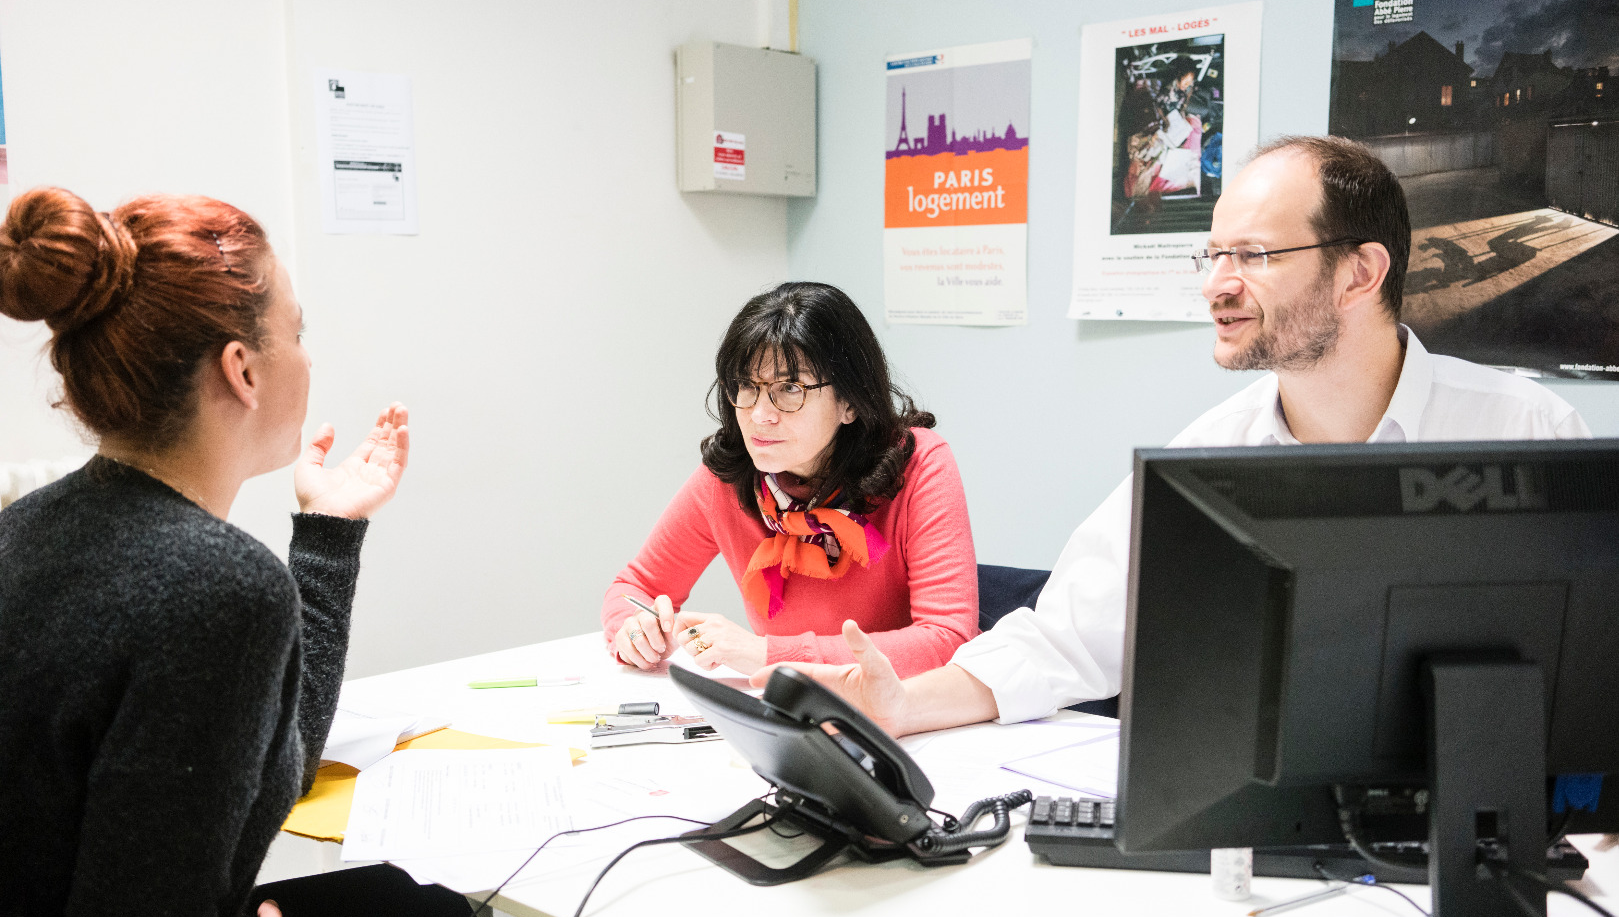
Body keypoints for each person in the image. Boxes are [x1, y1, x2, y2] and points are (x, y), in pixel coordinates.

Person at [779, 135, 1592, 737]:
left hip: (1489, 844)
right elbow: (1066, 638)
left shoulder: (1525, 431)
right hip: (1268, 851)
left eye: (1252, 255)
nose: (1215, 286)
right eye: (1210, 255)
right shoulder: (1210, 455)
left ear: (1359, 272)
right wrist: (900, 704)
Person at [0, 187, 513, 917]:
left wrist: (327, 533)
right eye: (296, 333)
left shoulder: (31, 527)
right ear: (241, 370)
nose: (308, 357)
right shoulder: (215, 587)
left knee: (418, 916)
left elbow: (271, 764)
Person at [602, 281, 978, 679]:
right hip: (790, 712)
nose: (760, 414)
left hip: (911, 719)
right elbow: (635, 586)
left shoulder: (918, 466)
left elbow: (947, 639)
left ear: (850, 401)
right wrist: (634, 631)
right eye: (746, 387)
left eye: (789, 389)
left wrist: (769, 654)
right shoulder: (730, 476)